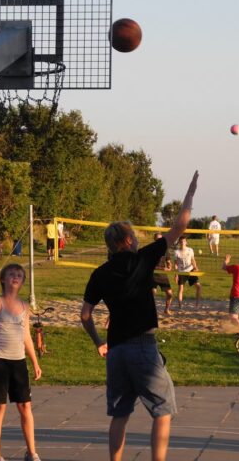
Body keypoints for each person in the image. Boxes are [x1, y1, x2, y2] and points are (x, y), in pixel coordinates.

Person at [80, 171, 198, 461]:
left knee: (120, 415)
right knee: (163, 410)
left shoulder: (100, 273)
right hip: (143, 347)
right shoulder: (142, 259)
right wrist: (190, 193)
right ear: (130, 239)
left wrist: (98, 341)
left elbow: (85, 314)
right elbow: (179, 226)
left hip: (116, 350)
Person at [0, 263, 42, 461]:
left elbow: (27, 337)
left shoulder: (24, 306)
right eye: (11, 274)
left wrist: (35, 363)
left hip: (18, 361)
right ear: (3, 279)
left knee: (25, 406)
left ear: (22, 282)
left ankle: (31, 452)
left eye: (19, 275)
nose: (15, 276)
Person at [174, 235, 202, 308]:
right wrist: (176, 275)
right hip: (181, 272)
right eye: (181, 241)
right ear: (179, 243)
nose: (182, 242)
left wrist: (195, 267)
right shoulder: (176, 252)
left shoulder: (190, 250)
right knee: (181, 289)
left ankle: (197, 304)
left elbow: (193, 260)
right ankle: (180, 305)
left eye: (184, 241)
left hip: (190, 270)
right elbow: (176, 264)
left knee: (199, 287)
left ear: (186, 242)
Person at [151, 233, 175, 316]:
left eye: (160, 239)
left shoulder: (165, 250)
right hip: (153, 274)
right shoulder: (151, 249)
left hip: (162, 275)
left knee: (170, 294)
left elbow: (169, 262)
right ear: (154, 240)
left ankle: (166, 309)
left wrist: (169, 267)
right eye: (157, 239)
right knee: (153, 292)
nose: (159, 241)